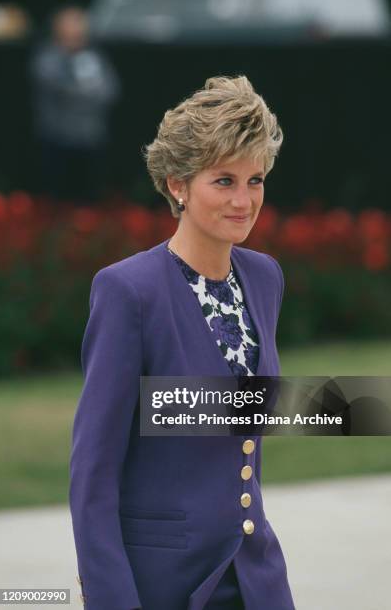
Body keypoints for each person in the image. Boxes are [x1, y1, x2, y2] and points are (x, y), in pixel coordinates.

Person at [69, 74, 295, 609]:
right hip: (163, 585)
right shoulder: (128, 292)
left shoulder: (265, 278)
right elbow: (93, 474)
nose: (245, 200)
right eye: (224, 181)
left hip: (255, 575)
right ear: (177, 184)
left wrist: (357, 407)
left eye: (255, 179)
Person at [30, 4, 120, 204]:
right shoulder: (47, 57)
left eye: (79, 24)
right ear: (57, 28)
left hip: (92, 139)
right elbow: (59, 89)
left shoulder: (95, 57)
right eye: (70, 25)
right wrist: (87, 93)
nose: (76, 30)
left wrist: (86, 94)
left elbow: (110, 90)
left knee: (90, 200)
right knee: (58, 199)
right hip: (58, 140)